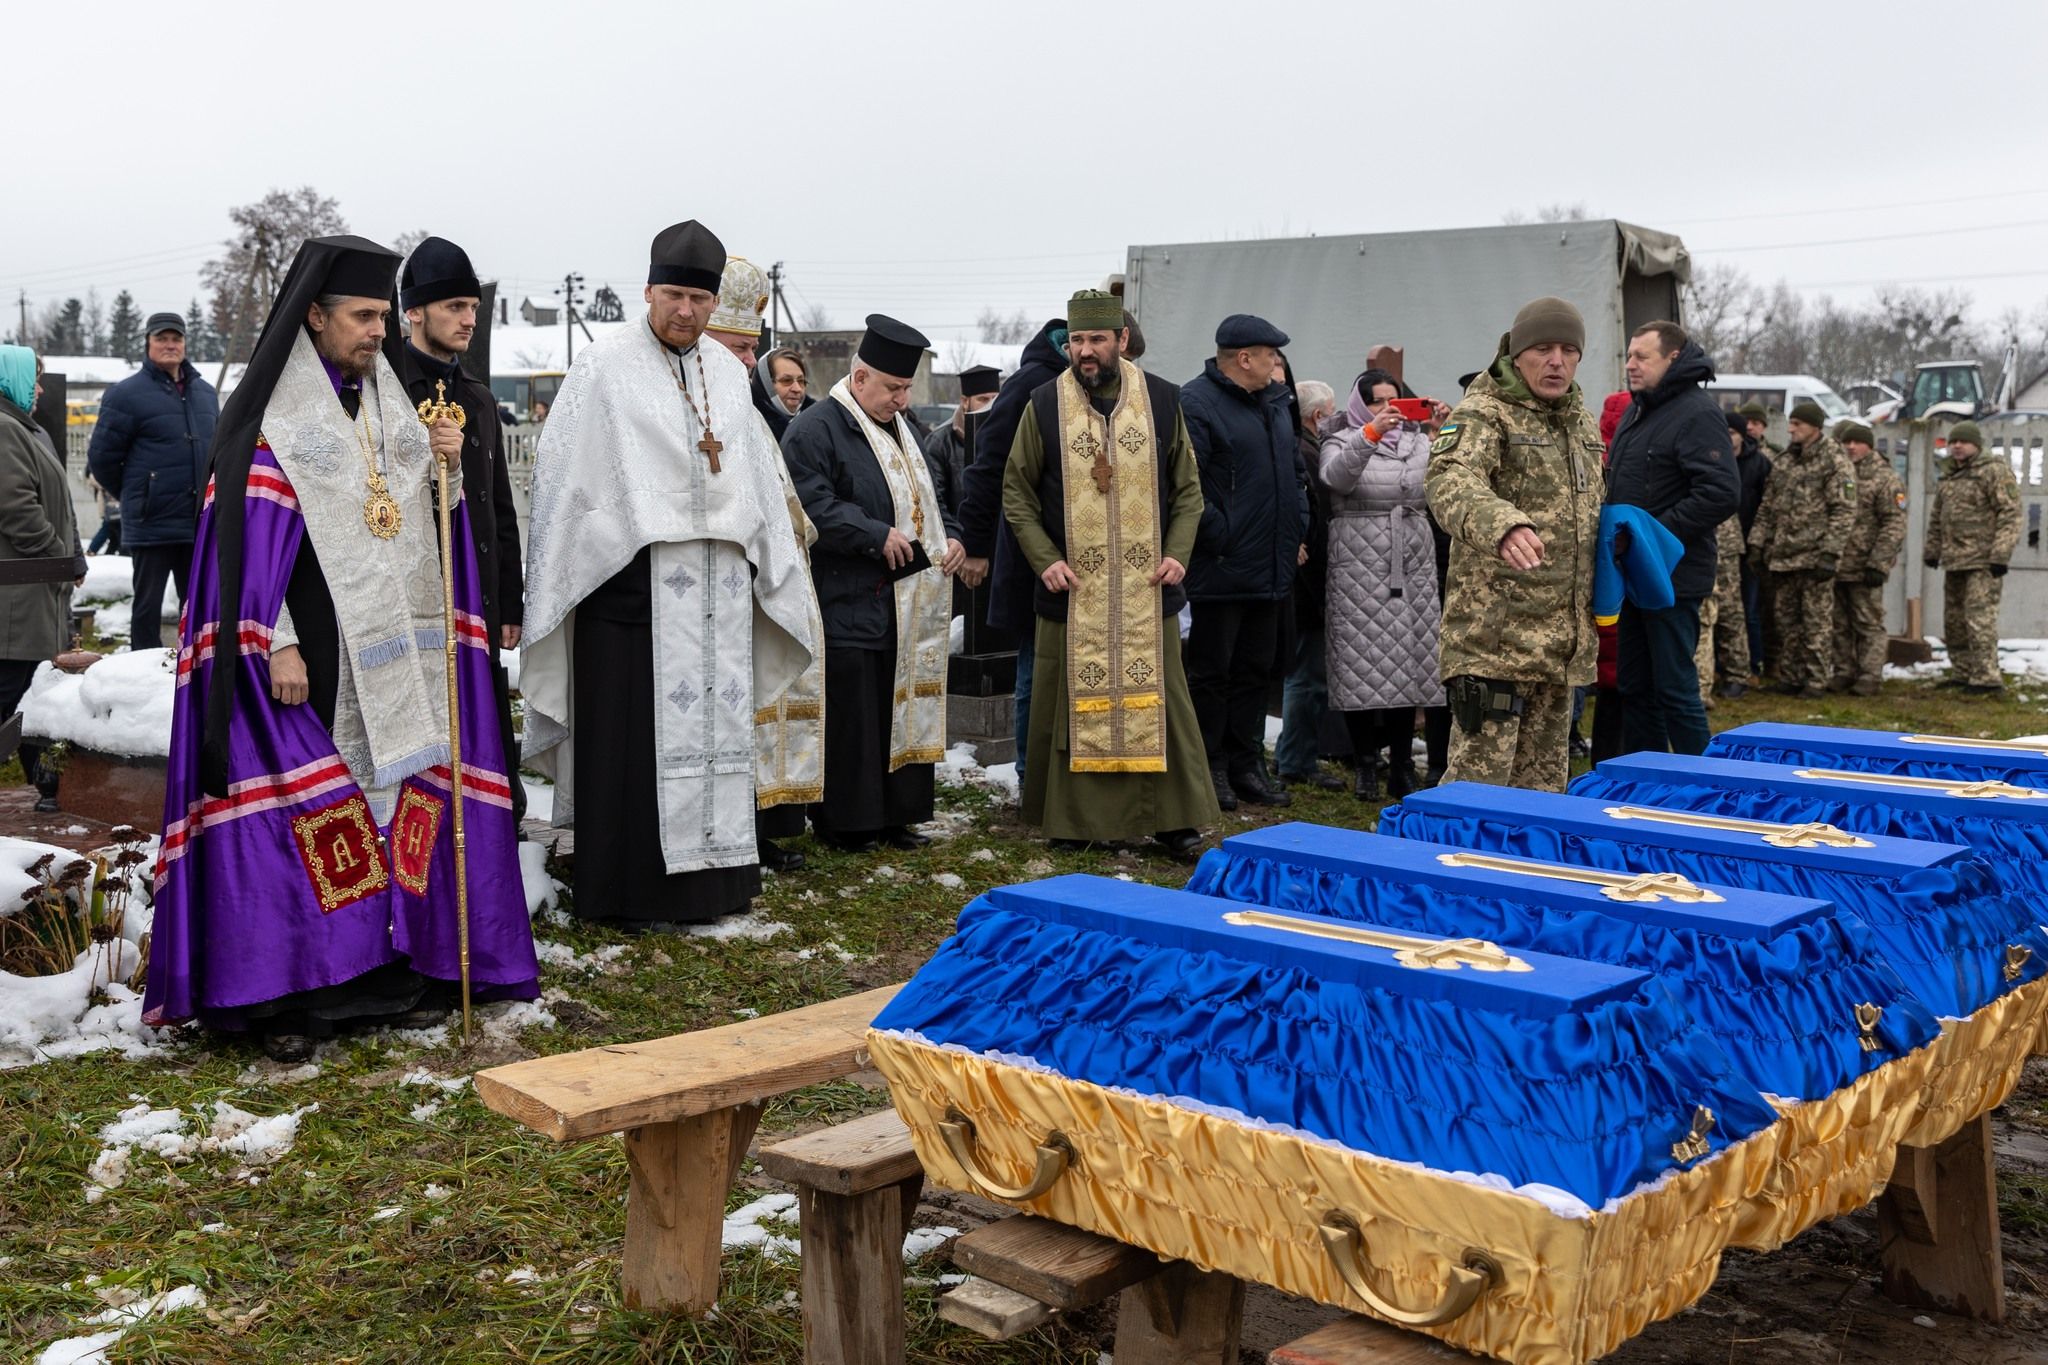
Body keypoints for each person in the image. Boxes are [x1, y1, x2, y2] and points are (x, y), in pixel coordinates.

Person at [143, 236, 540, 1061]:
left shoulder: (392, 402)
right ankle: (291, 991)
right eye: (361, 317)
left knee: (385, 808)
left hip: (390, 655)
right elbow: (237, 548)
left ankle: (375, 969)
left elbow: (429, 532)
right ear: (315, 316)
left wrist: (447, 471)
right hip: (303, 656)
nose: (375, 332)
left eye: (382, 317)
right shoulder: (271, 418)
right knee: (305, 822)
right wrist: (276, 642)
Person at [521, 221, 819, 924]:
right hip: (626, 599)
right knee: (629, 748)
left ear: (716, 304)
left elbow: (747, 476)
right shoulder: (603, 367)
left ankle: (713, 886)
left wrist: (766, 565)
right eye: (675, 294)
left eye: (700, 299)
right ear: (648, 290)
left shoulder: (726, 371)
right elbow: (566, 488)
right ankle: (626, 892)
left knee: (716, 740)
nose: (686, 311)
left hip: (715, 597)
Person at [1000, 290, 1216, 859]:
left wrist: (1178, 553)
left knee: (1161, 701)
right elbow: (1016, 491)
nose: (1086, 351)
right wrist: (1044, 559)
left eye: (1097, 339)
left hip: (1148, 591)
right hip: (1075, 594)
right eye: (1077, 341)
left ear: (1121, 340)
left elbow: (1188, 491)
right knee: (1072, 702)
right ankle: (1076, 821)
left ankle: (1173, 823)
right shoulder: (1044, 404)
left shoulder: (1164, 401)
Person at [784, 314, 961, 851]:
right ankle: (848, 824)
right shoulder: (815, 429)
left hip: (907, 606)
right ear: (859, 379)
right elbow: (809, 503)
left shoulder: (908, 432)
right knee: (856, 720)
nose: (901, 400)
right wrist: (873, 533)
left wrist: (952, 537)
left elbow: (933, 498)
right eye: (892, 388)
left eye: (906, 388)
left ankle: (896, 816)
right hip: (846, 600)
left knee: (895, 709)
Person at [1424, 297, 1602, 793]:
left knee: (1544, 792)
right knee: (1479, 789)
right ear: (1516, 353)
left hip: (1559, 643)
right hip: (1495, 641)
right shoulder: (1484, 414)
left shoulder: (1580, 422)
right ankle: (1456, 869)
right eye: (1543, 348)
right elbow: (1448, 478)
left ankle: (1527, 871)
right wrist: (1502, 524)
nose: (1556, 361)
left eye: (1569, 350)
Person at [391, 237, 527, 827]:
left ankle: (493, 825)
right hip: (409, 597)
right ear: (413, 311)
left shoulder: (478, 398)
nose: (468, 319)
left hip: (476, 596)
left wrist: (509, 599)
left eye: (472, 307)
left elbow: (498, 510)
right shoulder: (382, 389)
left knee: (481, 722)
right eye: (453, 307)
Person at [703, 257, 827, 873]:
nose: (749, 362)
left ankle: (759, 830)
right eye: (738, 347)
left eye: (753, 349)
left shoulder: (744, 410)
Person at [1181, 314, 1308, 811]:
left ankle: (1246, 764)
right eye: (1271, 355)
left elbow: (1295, 472)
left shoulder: (1274, 403)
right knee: (1213, 674)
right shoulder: (1197, 403)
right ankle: (1209, 768)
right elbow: (1185, 486)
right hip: (1220, 567)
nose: (1277, 363)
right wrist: (1223, 535)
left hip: (1269, 566)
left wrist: (1296, 523)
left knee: (1256, 669)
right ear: (1244, 359)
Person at [1603, 322, 1740, 756]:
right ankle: (1652, 781)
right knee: (1635, 687)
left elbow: (1721, 492)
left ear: (1673, 358)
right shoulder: (1639, 409)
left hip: (1674, 576)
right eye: (1629, 356)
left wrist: (1650, 535)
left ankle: (1705, 789)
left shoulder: (1697, 412)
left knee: (1676, 690)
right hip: (1634, 573)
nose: (1630, 365)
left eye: (1642, 356)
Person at [954, 315, 1070, 788]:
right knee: (1033, 662)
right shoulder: (1033, 385)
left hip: (1076, 554)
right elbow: (989, 466)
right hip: (1030, 549)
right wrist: (977, 546)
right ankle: (1031, 776)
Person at [1321, 370, 1442, 801]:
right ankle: (1366, 765)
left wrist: (1442, 433)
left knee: (1410, 664)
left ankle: (1402, 765)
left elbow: (1440, 489)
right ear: (1360, 405)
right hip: (1359, 561)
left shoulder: (1419, 442)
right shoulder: (1340, 438)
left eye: (1395, 401)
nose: (1388, 409)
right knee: (1361, 667)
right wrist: (1370, 433)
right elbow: (1336, 479)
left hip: (1413, 560)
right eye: (1377, 402)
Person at [87, 311, 218, 651]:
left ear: (186, 343)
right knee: (147, 606)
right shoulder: (125, 394)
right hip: (152, 522)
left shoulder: (205, 393)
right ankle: (140, 671)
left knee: (199, 606)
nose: (170, 345)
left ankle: (196, 668)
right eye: (162, 338)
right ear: (148, 343)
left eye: (176, 338)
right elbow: (101, 460)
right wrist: (138, 494)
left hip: (196, 521)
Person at [0, 348, 84, 812]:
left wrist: (71, 557)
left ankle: (49, 788)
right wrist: (58, 555)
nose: (39, 389)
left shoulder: (21, 427)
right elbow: (16, 507)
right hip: (17, 600)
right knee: (16, 692)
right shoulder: (4, 427)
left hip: (33, 594)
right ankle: (49, 786)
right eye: (32, 379)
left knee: (28, 693)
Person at [1747, 399, 1854, 698]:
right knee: (1787, 622)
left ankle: (1816, 679)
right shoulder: (1785, 461)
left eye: (1798, 424)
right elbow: (1768, 507)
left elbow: (1844, 510)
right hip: (1783, 557)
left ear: (1815, 428)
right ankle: (1791, 676)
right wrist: (1757, 543)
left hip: (1814, 557)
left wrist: (1831, 553)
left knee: (1816, 623)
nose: (1792, 429)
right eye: (1791, 423)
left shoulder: (1834, 460)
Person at [1276, 377, 1340, 790]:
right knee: (1307, 676)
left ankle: (1296, 755)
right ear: (1318, 416)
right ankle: (1296, 760)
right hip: (1307, 581)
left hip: (1305, 579)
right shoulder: (1306, 453)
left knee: (1306, 673)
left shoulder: (1305, 449)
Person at [1926, 419, 2020, 694]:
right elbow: (1937, 517)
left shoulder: (1993, 472)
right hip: (1954, 559)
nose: (1956, 446)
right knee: (1953, 621)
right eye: (1953, 442)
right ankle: (1963, 672)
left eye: (1962, 442)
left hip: (1983, 561)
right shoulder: (1949, 475)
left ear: (1976, 445)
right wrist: (1932, 551)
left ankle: (1986, 678)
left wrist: (2000, 554)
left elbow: (2010, 514)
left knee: (1979, 619)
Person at [1829, 421, 1905, 696]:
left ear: (1869, 446)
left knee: (1868, 622)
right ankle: (1843, 671)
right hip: (1837, 563)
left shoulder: (1885, 478)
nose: (1851, 447)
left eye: (1857, 442)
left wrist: (1879, 562)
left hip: (1865, 565)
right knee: (1838, 622)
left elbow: (1894, 523)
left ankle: (1870, 675)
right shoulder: (1839, 473)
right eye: (1847, 442)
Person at [1697, 414, 1752, 703]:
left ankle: (1737, 674)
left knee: (1730, 611)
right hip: (1707, 537)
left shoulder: (1721, 457)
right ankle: (1711, 675)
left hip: (1726, 542)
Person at [1729, 403, 1773, 687]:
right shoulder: (1714, 458)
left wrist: (1758, 542)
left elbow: (1768, 506)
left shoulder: (1760, 462)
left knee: (1749, 608)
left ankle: (1753, 665)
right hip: (1721, 549)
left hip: (1750, 545)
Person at [923, 364, 1001, 518]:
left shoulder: (1003, 437)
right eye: (983, 400)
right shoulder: (940, 442)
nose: (990, 406)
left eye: (995, 399)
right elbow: (934, 501)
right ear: (965, 402)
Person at [753, 347, 814, 441]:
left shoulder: (818, 425)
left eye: (801, 381)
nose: (797, 389)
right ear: (766, 385)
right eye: (786, 380)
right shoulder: (750, 427)